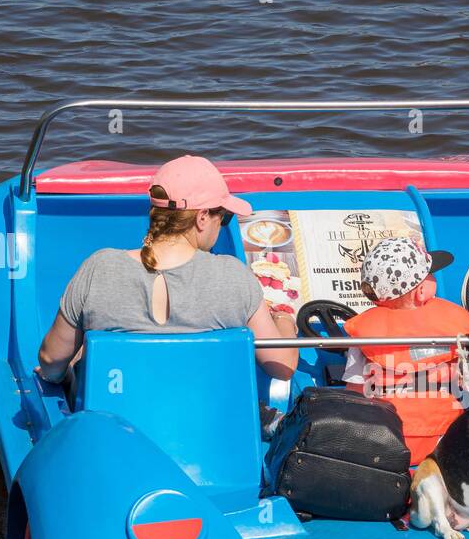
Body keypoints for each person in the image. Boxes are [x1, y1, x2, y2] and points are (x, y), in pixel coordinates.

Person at [36, 154, 299, 383]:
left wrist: (67, 373)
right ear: (202, 217)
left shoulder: (99, 267)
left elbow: (50, 361)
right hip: (208, 429)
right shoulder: (234, 276)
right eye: (225, 217)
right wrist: (285, 319)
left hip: (113, 428)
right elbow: (283, 367)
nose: (222, 226)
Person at [342, 236, 469, 466]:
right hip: (444, 442)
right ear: (421, 291)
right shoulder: (456, 327)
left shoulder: (365, 334)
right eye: (431, 274)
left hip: (386, 444)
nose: (434, 277)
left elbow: (354, 394)